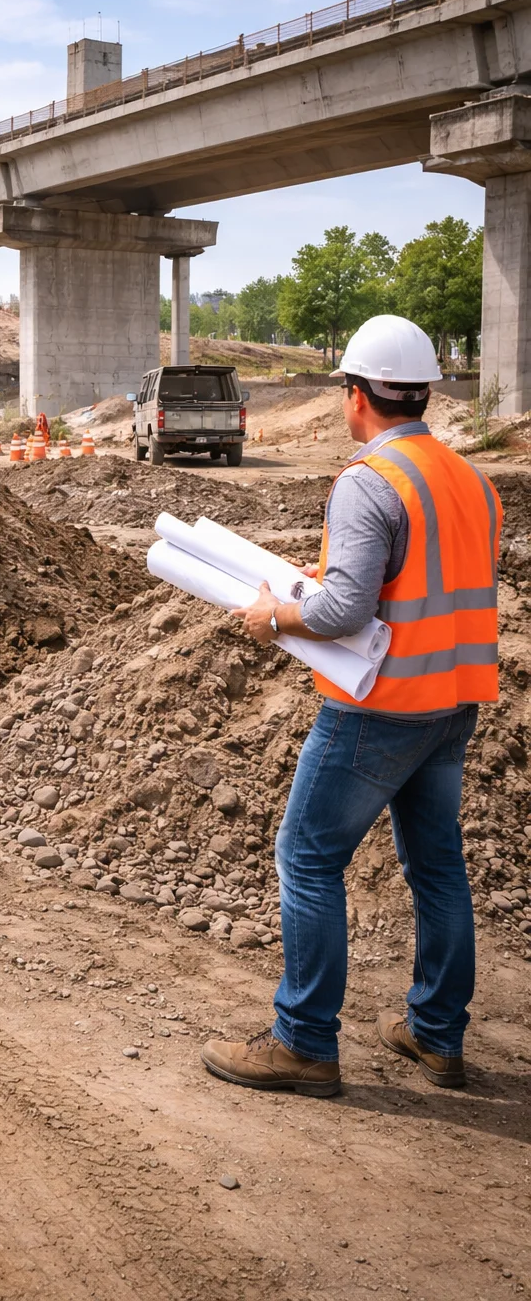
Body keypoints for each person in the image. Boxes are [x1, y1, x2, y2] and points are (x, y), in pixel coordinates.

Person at [201, 315, 502, 1097]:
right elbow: (426, 580)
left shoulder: (371, 480)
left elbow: (343, 612)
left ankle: (303, 1043)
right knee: (437, 867)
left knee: (307, 858)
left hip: (379, 706)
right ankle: (437, 1034)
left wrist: (276, 615)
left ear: (358, 393)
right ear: (424, 392)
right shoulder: (470, 479)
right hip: (453, 698)